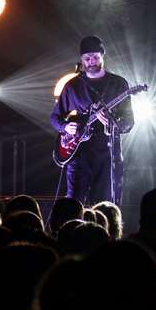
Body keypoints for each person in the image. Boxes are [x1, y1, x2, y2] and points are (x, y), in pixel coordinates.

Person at [51, 36, 135, 206]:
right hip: (78, 155)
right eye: (87, 59)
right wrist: (67, 127)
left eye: (96, 57)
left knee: (104, 204)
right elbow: (55, 118)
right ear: (82, 59)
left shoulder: (118, 83)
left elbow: (129, 122)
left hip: (107, 155)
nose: (91, 63)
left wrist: (112, 123)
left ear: (103, 56)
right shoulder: (72, 85)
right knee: (73, 203)